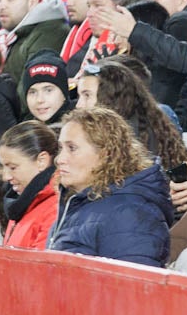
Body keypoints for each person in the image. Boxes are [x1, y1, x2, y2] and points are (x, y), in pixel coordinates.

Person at [48, 107, 177, 267]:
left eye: (72, 148)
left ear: (105, 154)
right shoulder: (75, 207)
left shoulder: (130, 214)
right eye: (61, 148)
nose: (59, 159)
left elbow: (133, 287)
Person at [0, 120, 59, 249]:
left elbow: (40, 267)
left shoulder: (55, 209)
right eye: (3, 167)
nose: (5, 176)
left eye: (13, 167)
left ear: (42, 161)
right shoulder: (21, 203)